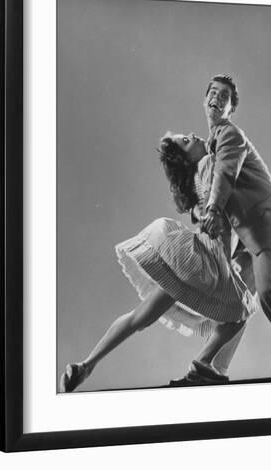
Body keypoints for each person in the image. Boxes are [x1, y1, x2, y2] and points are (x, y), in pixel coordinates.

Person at [60, 132, 258, 393]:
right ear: (187, 158)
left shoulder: (195, 183)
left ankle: (86, 365)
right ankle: (204, 364)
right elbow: (227, 208)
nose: (192, 135)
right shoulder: (210, 164)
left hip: (191, 260)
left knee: (140, 317)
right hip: (208, 261)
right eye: (186, 141)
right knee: (241, 311)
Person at [195, 73, 271, 377]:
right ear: (204, 99)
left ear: (231, 108)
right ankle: (211, 366)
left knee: (269, 293)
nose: (217, 98)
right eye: (214, 93)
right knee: (236, 301)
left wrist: (210, 208)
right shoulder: (214, 144)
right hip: (249, 236)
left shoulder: (229, 135)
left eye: (225, 96)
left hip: (265, 227)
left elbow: (225, 177)